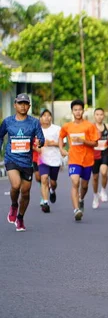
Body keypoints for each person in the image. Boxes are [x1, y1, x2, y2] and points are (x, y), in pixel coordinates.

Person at [0, 94, 45, 231]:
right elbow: (0, 136)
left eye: (26, 103)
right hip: (11, 159)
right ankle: (14, 205)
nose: (23, 106)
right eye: (20, 103)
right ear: (15, 105)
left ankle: (20, 217)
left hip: (27, 161)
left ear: (29, 106)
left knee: (25, 192)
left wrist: (39, 142)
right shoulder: (8, 122)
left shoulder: (34, 122)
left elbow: (41, 139)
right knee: (16, 184)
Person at [59, 99, 99, 221]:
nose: (77, 112)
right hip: (74, 159)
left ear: (83, 111)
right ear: (72, 111)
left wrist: (84, 141)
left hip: (87, 159)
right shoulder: (67, 126)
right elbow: (61, 137)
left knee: (85, 185)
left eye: (79, 109)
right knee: (75, 182)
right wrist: (61, 149)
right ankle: (76, 210)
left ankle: (81, 199)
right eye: (75, 110)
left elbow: (95, 143)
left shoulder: (89, 126)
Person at [38, 109, 62, 212]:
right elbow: (34, 145)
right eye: (44, 115)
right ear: (40, 118)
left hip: (55, 159)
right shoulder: (37, 130)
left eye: (48, 115)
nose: (46, 117)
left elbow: (63, 144)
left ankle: (52, 190)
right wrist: (39, 147)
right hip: (43, 159)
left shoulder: (57, 129)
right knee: (44, 179)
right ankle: (45, 202)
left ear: (51, 117)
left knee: (53, 182)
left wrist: (52, 143)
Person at [92, 108, 108, 209]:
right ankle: (95, 195)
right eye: (97, 114)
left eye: (101, 114)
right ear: (94, 116)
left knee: (104, 172)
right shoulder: (91, 127)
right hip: (94, 154)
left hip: (104, 152)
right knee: (95, 177)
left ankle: (103, 190)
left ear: (104, 116)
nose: (99, 116)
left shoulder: (107, 126)